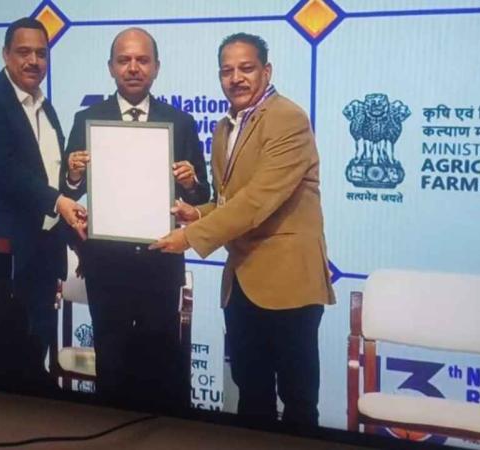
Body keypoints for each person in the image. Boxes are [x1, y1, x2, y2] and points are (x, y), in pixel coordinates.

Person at [150, 32, 335, 426]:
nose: (236, 78)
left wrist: (191, 237)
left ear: (266, 71)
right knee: (251, 394)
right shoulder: (223, 127)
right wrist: (197, 213)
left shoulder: (287, 118)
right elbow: (228, 201)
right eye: (227, 71)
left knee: (298, 401)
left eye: (246, 68)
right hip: (241, 282)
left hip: (289, 283)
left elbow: (259, 199)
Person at [63, 27, 210, 412]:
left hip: (160, 263)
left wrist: (191, 183)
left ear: (156, 67)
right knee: (110, 362)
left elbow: (202, 198)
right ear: (110, 67)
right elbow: (68, 193)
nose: (133, 68)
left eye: (142, 60)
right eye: (124, 60)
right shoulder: (87, 119)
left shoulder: (180, 121)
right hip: (106, 267)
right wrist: (74, 175)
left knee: (160, 364)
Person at [0, 17, 86, 387]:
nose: (33, 61)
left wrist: (71, 181)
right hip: (1, 251)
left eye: (41, 54)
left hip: (43, 251)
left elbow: (48, 175)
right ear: (5, 55)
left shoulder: (45, 107)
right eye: (24, 52)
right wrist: (58, 201)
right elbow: (5, 172)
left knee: (36, 348)